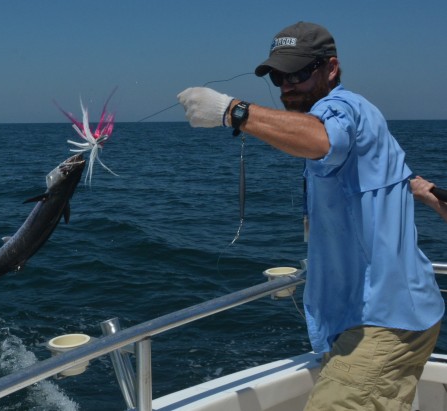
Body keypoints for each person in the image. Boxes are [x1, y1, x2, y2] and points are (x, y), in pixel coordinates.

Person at [177, 22, 444, 410]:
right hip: (402, 314)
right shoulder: (365, 112)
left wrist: (231, 111)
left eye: (298, 73)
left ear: (330, 69)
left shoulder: (341, 107)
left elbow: (323, 139)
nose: (287, 85)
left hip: (382, 322)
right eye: (279, 76)